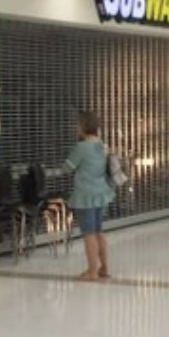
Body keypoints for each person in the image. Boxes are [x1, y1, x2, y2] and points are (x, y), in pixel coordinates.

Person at [67, 111, 116, 281]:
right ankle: (104, 268)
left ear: (83, 126)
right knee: (98, 231)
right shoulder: (101, 146)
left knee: (89, 234)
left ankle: (92, 271)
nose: (76, 127)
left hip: (85, 196)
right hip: (101, 194)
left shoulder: (82, 147)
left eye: (78, 124)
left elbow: (68, 167)